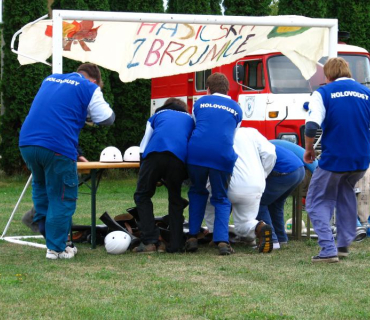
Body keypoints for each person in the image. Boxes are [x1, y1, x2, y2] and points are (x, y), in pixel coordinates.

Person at [19, 63, 115, 260]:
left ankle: (50, 235)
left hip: (28, 143)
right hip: (57, 147)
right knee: (63, 197)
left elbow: (52, 115)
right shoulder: (89, 87)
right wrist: (87, 114)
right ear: (95, 80)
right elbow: (107, 118)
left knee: (43, 191)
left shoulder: (50, 80)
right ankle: (56, 249)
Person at [304, 57, 370, 263]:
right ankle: (343, 244)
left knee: (316, 201)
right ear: (349, 72)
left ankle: (327, 249)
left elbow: (311, 125)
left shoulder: (323, 93)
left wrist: (308, 149)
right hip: (360, 159)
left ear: (328, 75)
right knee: (345, 194)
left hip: (335, 158)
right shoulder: (366, 93)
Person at [185, 72, 242, 255]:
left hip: (197, 154)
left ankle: (193, 236)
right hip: (222, 156)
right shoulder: (237, 108)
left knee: (197, 191)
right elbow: (231, 135)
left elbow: (196, 125)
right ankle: (222, 241)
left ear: (208, 89)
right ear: (227, 90)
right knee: (221, 198)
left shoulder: (199, 103)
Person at [133, 98, 194, 253]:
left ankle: (150, 241)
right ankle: (176, 244)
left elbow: (144, 144)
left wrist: (145, 173)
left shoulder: (156, 116)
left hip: (154, 154)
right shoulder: (190, 119)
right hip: (179, 159)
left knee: (142, 195)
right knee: (175, 199)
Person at [203, 127, 277, 253]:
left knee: (208, 200)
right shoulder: (251, 132)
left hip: (228, 182)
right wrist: (263, 174)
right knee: (245, 222)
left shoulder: (215, 131)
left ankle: (215, 233)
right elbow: (270, 153)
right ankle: (259, 226)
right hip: (255, 184)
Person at [256, 143, 306, 249]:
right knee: (276, 205)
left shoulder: (250, 147)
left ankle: (272, 240)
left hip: (285, 171)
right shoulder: (265, 143)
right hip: (299, 169)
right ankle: (281, 239)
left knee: (258, 202)